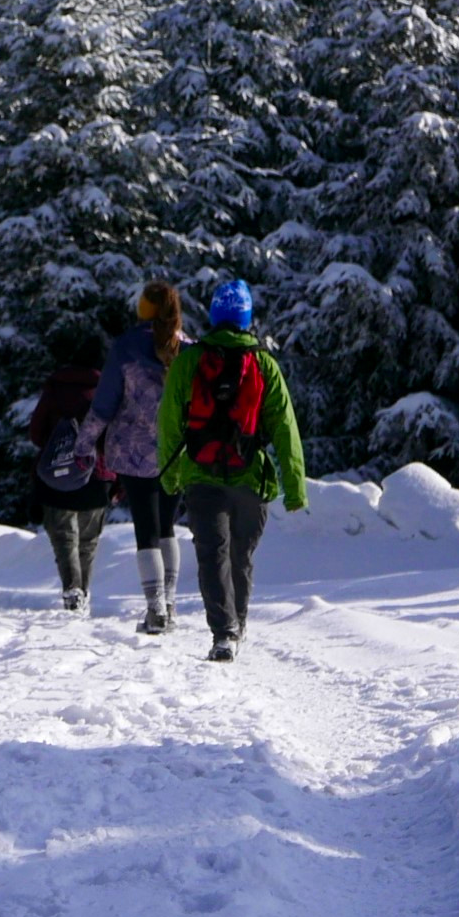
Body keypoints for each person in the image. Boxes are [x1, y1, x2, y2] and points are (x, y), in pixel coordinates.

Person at [157, 278, 308, 664]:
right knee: (241, 556)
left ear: (214, 315)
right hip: (251, 479)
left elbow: (170, 423)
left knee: (212, 555)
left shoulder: (189, 361)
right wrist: (294, 488)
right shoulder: (264, 364)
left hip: (201, 476)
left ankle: (224, 634)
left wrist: (170, 476)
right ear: (246, 317)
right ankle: (236, 626)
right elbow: (285, 429)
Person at [92, 281, 187, 632]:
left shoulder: (127, 347)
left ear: (143, 310)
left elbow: (104, 404)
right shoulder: (186, 346)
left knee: (146, 529)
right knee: (167, 527)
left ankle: (155, 610)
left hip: (134, 451)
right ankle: (171, 605)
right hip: (177, 451)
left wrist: (85, 442)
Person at [28, 336, 116, 613]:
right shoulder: (108, 391)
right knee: (88, 540)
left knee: (64, 536)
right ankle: (82, 592)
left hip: (58, 473)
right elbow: (116, 438)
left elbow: (36, 432)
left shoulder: (56, 387)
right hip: (97, 476)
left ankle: (72, 589)